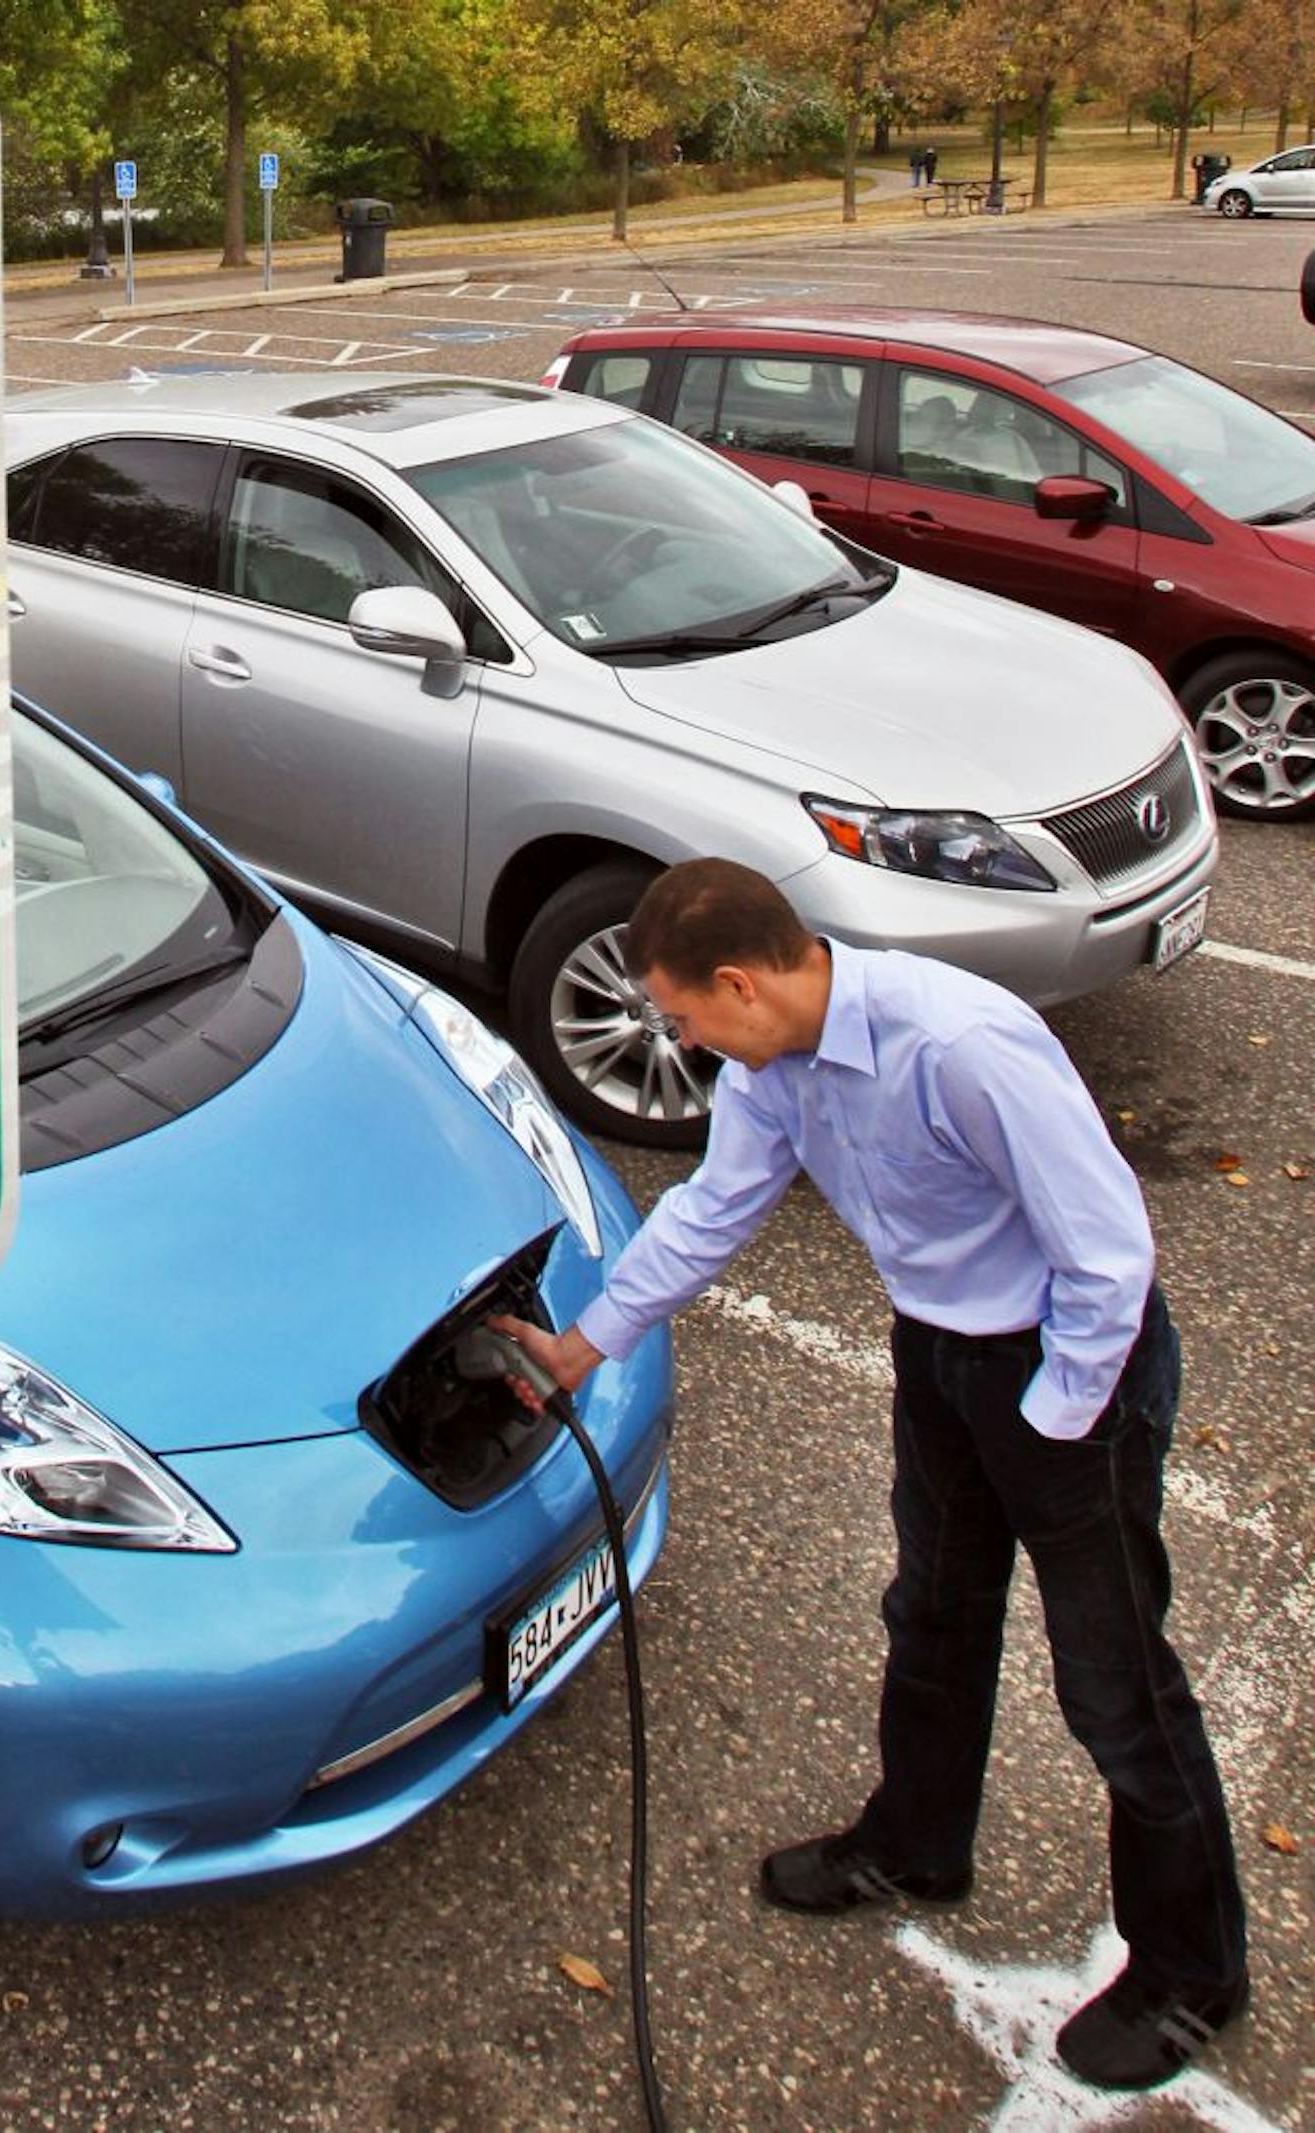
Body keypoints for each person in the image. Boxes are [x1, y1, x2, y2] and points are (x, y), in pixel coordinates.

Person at [493, 859, 1247, 2092]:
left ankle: (1194, 1970)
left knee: (1117, 1683)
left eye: (681, 1016)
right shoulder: (769, 1066)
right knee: (934, 1614)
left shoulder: (960, 1045)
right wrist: (587, 1345)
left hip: (1068, 1365)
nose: (677, 1040)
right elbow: (713, 1209)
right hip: (942, 1350)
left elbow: (1107, 1255)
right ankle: (919, 1843)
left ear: (741, 981)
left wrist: (1053, 1423)